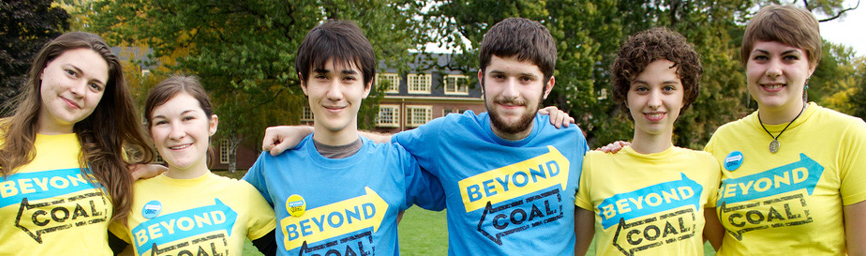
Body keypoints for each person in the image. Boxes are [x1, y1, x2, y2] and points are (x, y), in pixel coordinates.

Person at [262, 17, 588, 255]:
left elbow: (592, 212)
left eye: (526, 79)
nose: (511, 92)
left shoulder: (570, 140)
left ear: (547, 86)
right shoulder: (448, 135)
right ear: (481, 79)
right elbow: (386, 142)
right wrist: (309, 132)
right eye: (499, 76)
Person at [0, 32, 154, 255]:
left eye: (95, 86)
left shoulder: (107, 151)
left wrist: (161, 175)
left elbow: (129, 238)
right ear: (44, 68)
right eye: (71, 73)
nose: (79, 91)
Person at [242, 20, 445, 256]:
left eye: (348, 78)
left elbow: (460, 186)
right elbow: (234, 206)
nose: (335, 93)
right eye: (322, 77)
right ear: (303, 82)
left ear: (367, 85)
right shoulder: (274, 161)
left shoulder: (395, 163)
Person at [703, 5, 866, 255]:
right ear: (746, 65)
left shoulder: (852, 137)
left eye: (789, 57)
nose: (773, 70)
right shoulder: (722, 140)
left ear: (811, 65)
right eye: (761, 57)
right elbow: (720, 239)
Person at [573, 27, 723, 256]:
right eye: (642, 88)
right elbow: (570, 251)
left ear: (686, 94)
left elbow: (730, 247)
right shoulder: (594, 165)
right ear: (626, 95)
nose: (654, 101)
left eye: (668, 88)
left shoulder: (706, 167)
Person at [108, 75, 277, 256]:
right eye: (162, 122)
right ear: (151, 133)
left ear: (212, 125)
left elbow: (294, 250)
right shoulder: (131, 195)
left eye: (188, 118)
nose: (176, 133)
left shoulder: (243, 194)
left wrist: (302, 133)